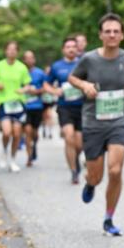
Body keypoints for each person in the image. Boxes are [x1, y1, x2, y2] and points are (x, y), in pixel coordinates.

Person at [68, 13, 124, 236]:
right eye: (107, 31)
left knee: (115, 171)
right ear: (100, 35)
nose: (112, 34)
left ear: (122, 35)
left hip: (118, 121)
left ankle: (109, 218)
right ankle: (90, 182)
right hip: (93, 124)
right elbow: (72, 78)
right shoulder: (89, 59)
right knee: (96, 176)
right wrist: (84, 85)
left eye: (116, 31)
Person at [47, 37, 85, 183]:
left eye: (73, 47)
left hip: (82, 107)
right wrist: (54, 91)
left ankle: (75, 157)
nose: (71, 49)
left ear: (77, 49)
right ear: (63, 49)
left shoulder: (83, 63)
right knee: (69, 137)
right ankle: (74, 171)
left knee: (79, 144)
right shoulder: (56, 66)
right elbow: (46, 84)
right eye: (68, 46)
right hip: (65, 107)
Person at [0, 41, 31, 172]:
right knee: (7, 132)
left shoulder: (22, 67)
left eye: (14, 49)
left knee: (17, 134)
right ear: (5, 51)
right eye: (9, 49)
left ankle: (13, 159)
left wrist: (23, 90)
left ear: (17, 52)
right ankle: (4, 151)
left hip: (18, 103)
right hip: (4, 103)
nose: (12, 52)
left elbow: (27, 85)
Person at [21, 50, 46, 167]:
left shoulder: (40, 73)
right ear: (24, 60)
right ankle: (29, 157)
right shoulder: (20, 72)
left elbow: (45, 88)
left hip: (37, 106)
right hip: (25, 107)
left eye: (31, 58)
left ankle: (34, 145)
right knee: (27, 131)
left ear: (34, 60)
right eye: (27, 58)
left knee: (35, 133)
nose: (29, 60)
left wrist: (35, 91)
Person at [41, 62, 56, 139]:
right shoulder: (43, 79)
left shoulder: (53, 78)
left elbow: (55, 88)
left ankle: (50, 131)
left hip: (50, 100)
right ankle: (44, 129)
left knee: (49, 115)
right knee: (44, 116)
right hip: (43, 100)